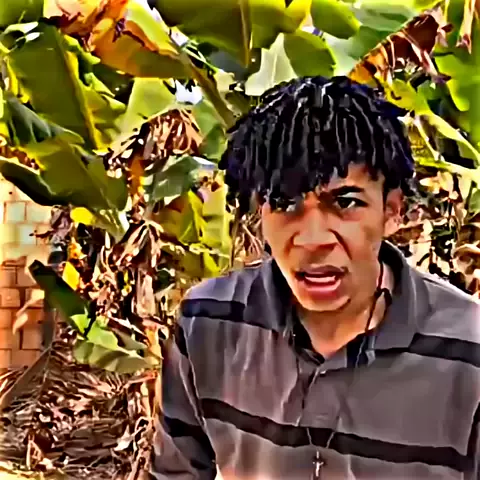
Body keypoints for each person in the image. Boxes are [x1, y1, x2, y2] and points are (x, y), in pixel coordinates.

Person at [149, 76, 480, 479]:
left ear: (392, 211)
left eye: (345, 202)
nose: (312, 239)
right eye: (284, 202)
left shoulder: (470, 351)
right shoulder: (208, 324)